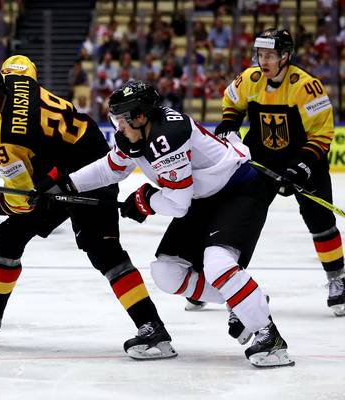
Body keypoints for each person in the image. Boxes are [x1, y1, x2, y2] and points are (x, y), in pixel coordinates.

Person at [0, 56, 177, 360]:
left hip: (89, 170)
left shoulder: (4, 142)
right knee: (8, 238)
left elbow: (21, 199)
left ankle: (153, 328)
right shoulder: (15, 80)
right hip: (67, 161)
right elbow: (21, 63)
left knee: (103, 251)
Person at [57, 80, 294, 368]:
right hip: (202, 198)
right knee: (166, 272)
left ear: (141, 116)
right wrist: (67, 184)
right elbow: (111, 168)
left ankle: (270, 337)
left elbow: (178, 204)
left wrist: (146, 200)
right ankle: (242, 300)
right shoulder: (135, 135)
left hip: (238, 191)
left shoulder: (167, 136)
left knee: (217, 262)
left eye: (121, 120)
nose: (118, 127)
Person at [216, 29, 344, 317]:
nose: (264, 60)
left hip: (305, 161)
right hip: (262, 161)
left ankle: (338, 279)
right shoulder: (250, 79)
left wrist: (300, 167)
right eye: (261, 54)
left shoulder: (305, 86)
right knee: (240, 219)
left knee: (320, 220)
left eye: (270, 55)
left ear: (286, 56)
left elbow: (322, 134)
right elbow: (231, 103)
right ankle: (221, 281)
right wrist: (229, 123)